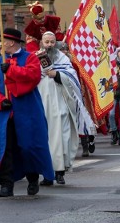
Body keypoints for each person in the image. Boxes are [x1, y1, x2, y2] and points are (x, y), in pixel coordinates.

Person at [0, 28, 54, 197]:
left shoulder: (29, 57)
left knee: (28, 146)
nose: (1, 44)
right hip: (5, 113)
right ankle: (6, 185)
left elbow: (33, 77)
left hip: (27, 111)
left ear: (12, 42)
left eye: (4, 41)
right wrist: (0, 101)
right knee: (5, 148)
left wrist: (11, 70)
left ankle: (32, 178)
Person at [37, 32, 89, 186]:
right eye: (46, 42)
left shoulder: (63, 59)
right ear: (42, 42)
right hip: (43, 105)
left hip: (61, 105)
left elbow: (72, 78)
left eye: (52, 42)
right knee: (44, 139)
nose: (49, 45)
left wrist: (57, 74)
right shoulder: (35, 58)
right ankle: (47, 174)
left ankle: (60, 172)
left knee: (61, 138)